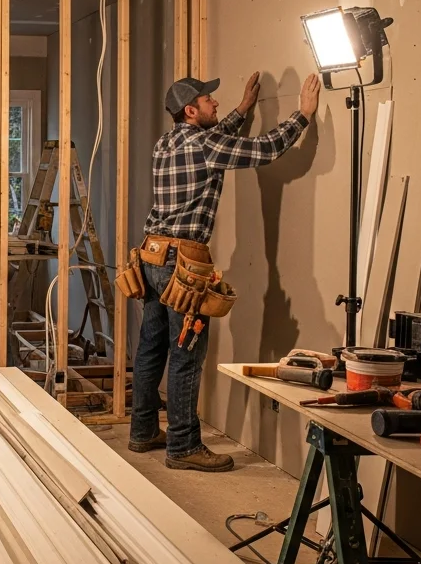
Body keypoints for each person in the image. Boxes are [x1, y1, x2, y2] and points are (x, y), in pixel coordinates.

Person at [128, 71, 321, 471]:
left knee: (151, 349)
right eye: (208, 100)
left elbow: (217, 140)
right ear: (190, 110)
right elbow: (263, 150)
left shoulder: (168, 142)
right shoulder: (204, 145)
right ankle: (182, 447)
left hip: (152, 258)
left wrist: (243, 109)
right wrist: (302, 116)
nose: (215, 103)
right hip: (184, 266)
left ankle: (143, 431)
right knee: (186, 355)